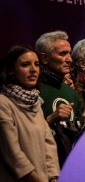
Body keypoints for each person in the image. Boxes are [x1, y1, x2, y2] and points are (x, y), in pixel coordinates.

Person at [0, 46, 60, 182]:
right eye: (25, 64)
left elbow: (48, 145)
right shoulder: (3, 103)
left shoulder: (35, 101)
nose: (34, 70)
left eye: (37, 64)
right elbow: (12, 154)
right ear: (11, 70)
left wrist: (53, 177)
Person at [35, 31, 84, 167]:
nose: (69, 59)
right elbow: (24, 137)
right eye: (63, 54)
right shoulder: (33, 90)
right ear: (44, 59)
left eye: (69, 53)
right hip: (42, 166)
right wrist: (51, 119)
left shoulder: (72, 93)